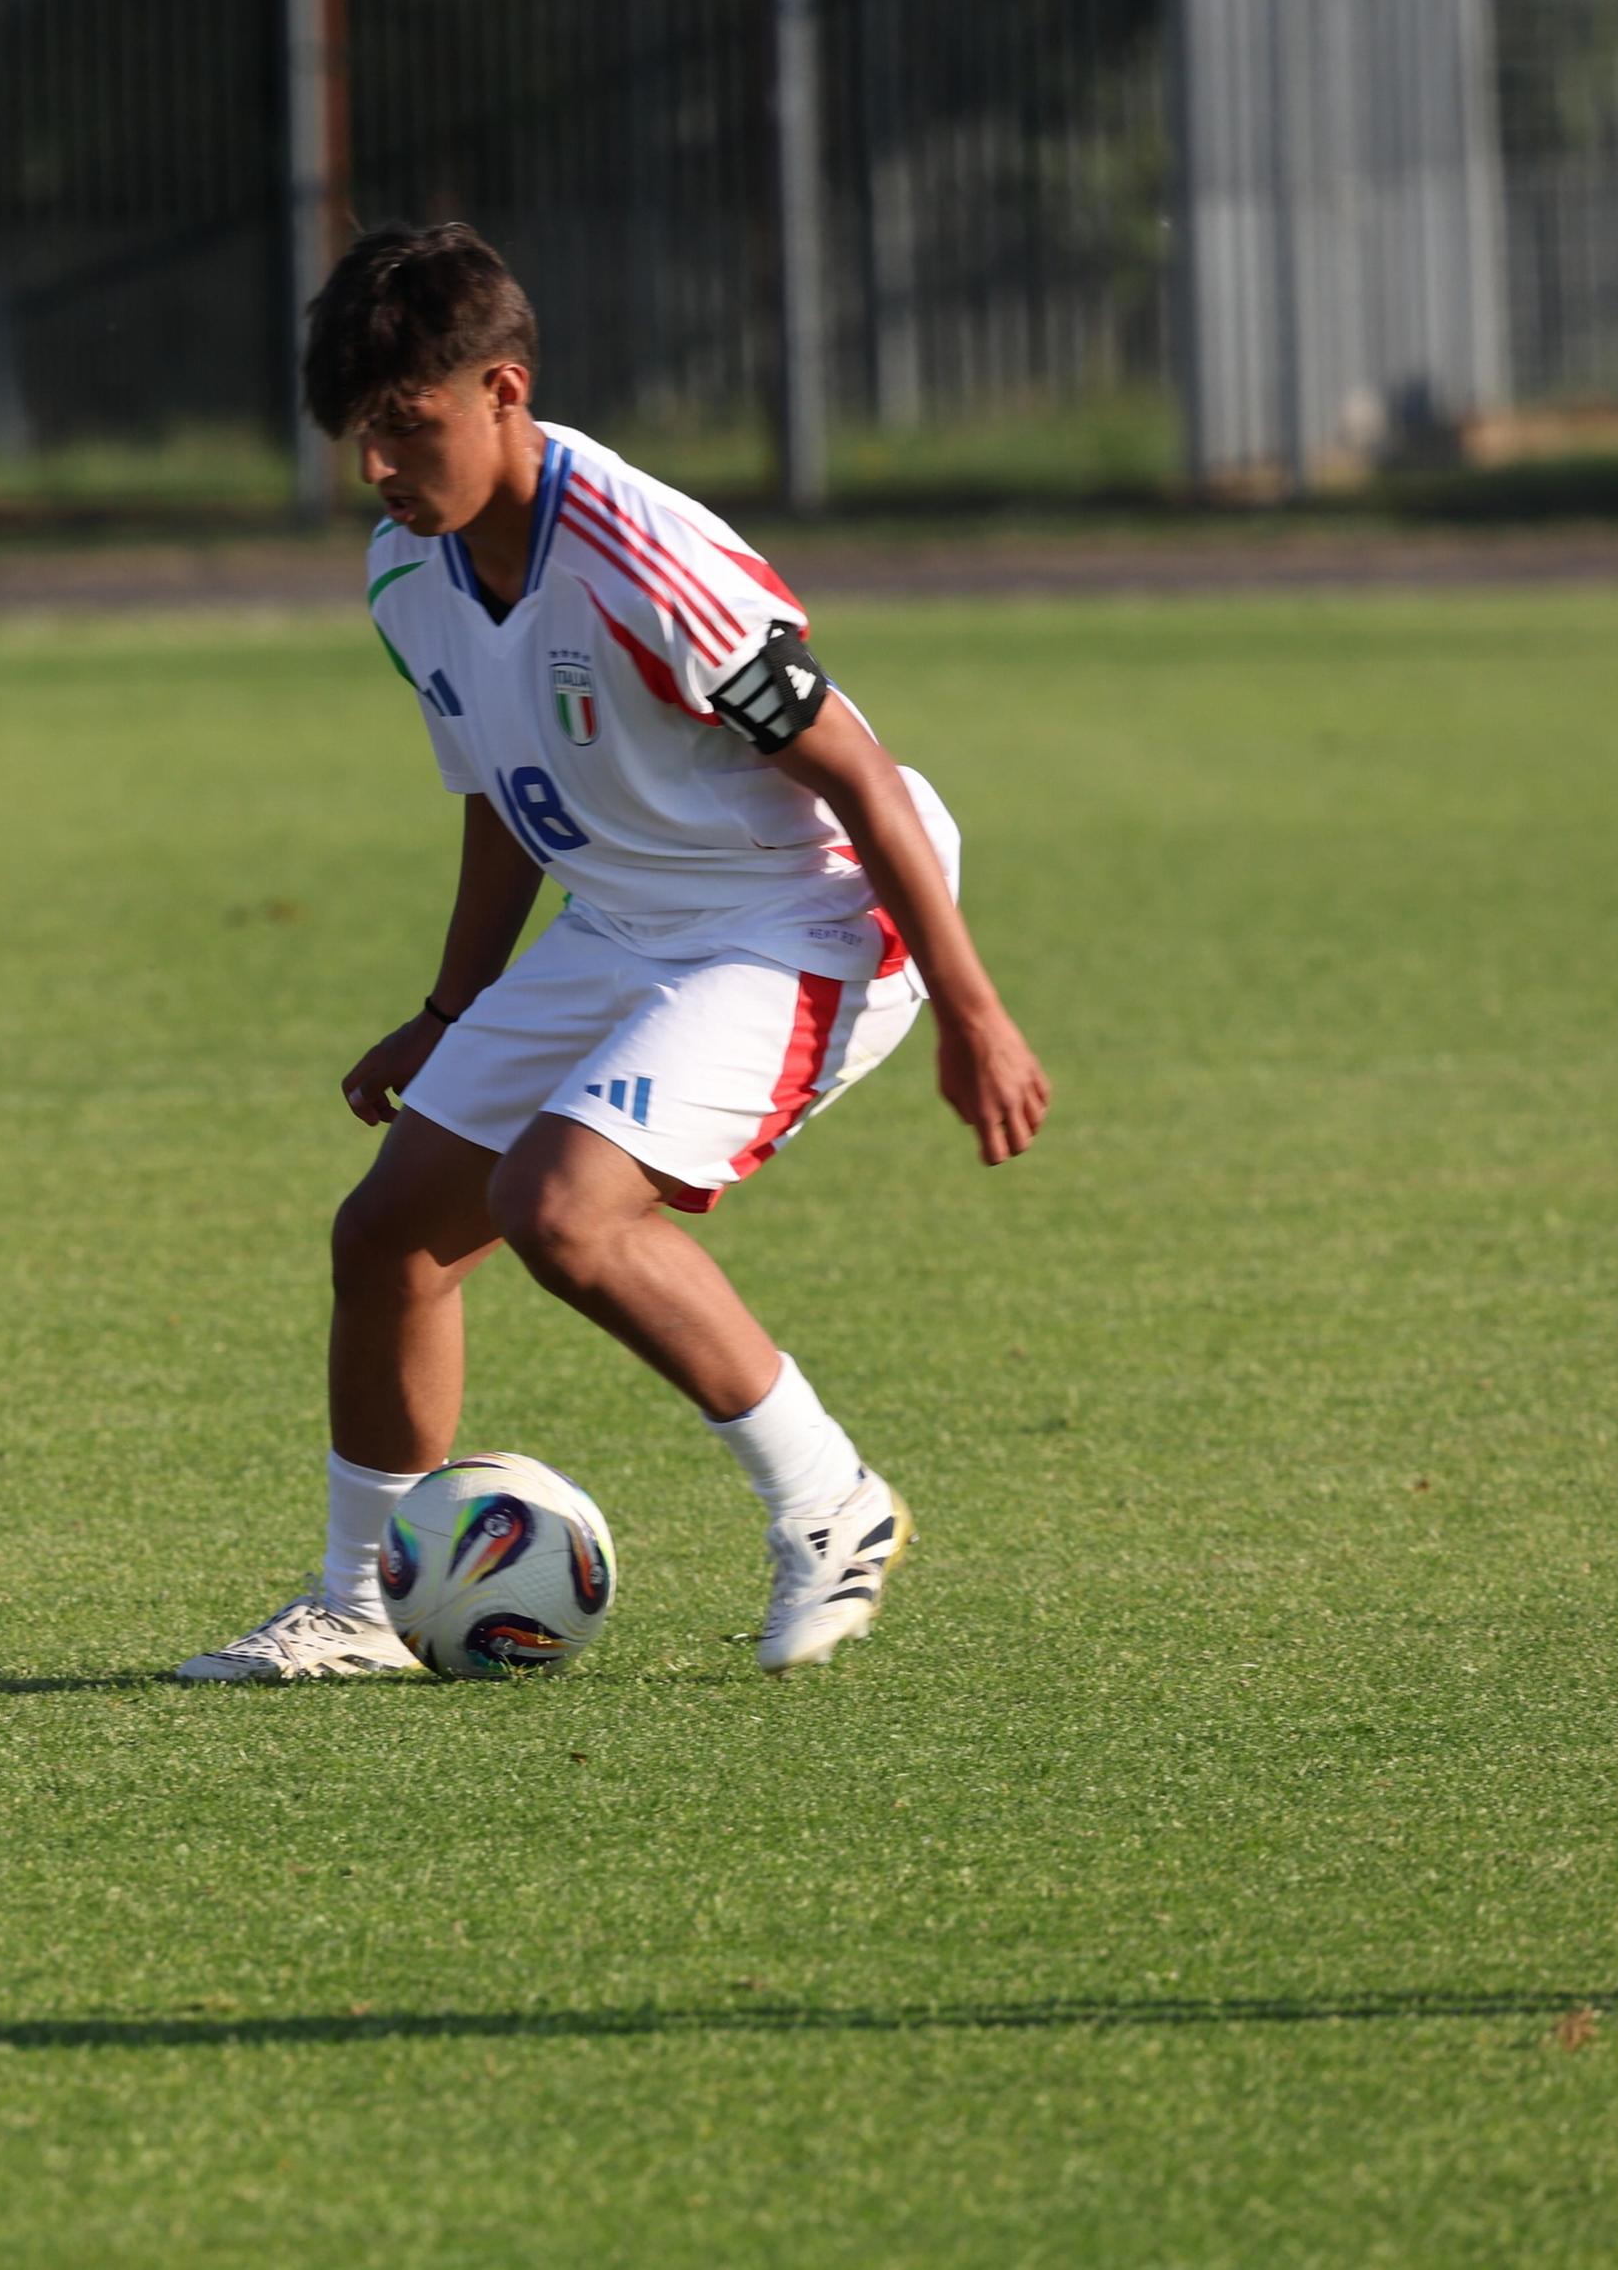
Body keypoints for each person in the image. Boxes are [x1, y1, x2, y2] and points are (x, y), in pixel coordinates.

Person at [178, 223, 1050, 1686]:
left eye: (410, 425)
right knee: (388, 1238)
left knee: (565, 1212)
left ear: (505, 390)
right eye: (357, 436)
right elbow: (509, 797)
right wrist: (449, 1009)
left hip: (803, 916)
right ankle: (361, 1607)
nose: (380, 466)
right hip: (629, 915)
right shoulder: (411, 570)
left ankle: (831, 1507)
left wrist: (974, 1009)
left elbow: (862, 775)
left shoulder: (647, 555)